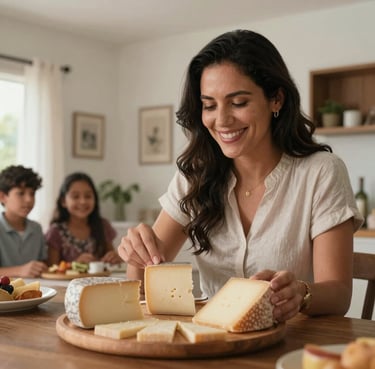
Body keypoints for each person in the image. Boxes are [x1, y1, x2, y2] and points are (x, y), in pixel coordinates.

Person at [117, 30, 363, 323]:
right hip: (211, 345)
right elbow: (144, 278)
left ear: (276, 99)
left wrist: (301, 293)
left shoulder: (322, 171)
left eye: (238, 103)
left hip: (290, 345)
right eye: (209, 105)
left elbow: (338, 293)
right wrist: (137, 254)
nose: (221, 120)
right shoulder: (195, 174)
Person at [45, 172, 122, 265]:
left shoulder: (103, 226)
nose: (83, 201)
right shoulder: (56, 231)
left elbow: (111, 257)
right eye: (75, 196)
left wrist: (115, 257)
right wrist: (75, 264)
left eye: (88, 196)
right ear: (63, 201)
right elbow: (51, 269)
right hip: (68, 280)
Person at [0, 165, 48, 277]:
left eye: (32, 193)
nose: (29, 199)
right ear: (2, 196)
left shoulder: (36, 228)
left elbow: (44, 263)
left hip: (35, 292)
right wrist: (20, 270)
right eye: (21, 193)